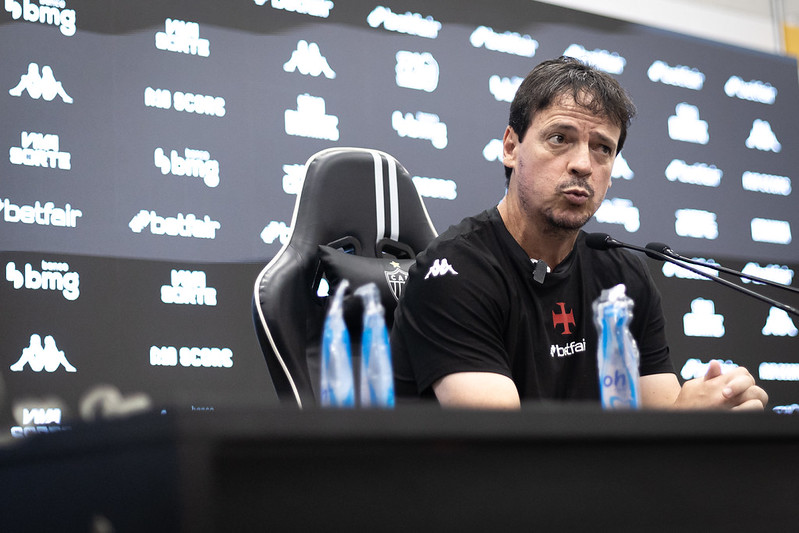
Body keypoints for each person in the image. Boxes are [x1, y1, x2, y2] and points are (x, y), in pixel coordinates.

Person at [391, 56, 768, 410]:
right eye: (559, 138)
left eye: (602, 148)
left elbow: (661, 416)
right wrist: (679, 427)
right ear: (511, 147)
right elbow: (503, 445)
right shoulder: (454, 270)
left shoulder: (623, 276)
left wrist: (710, 412)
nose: (583, 164)